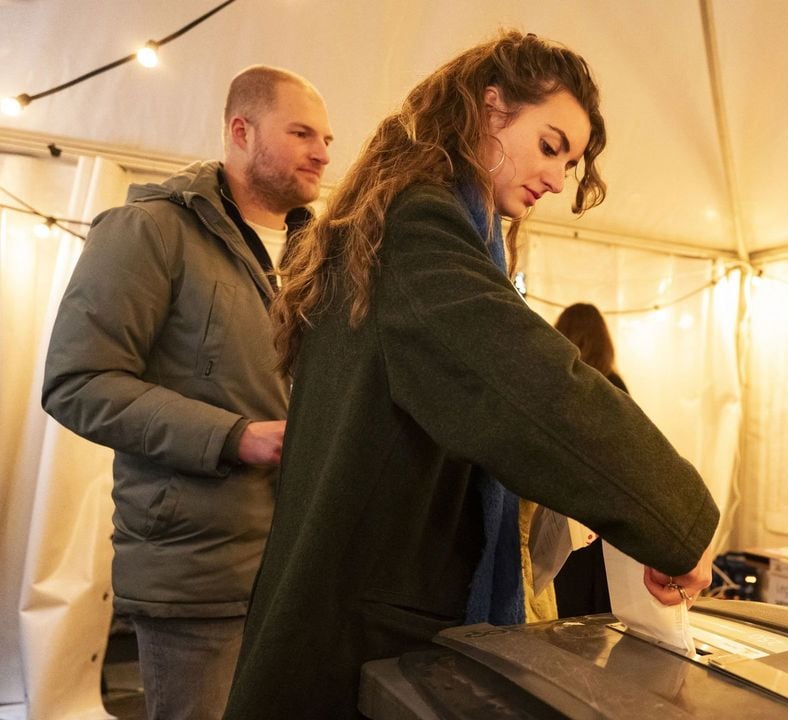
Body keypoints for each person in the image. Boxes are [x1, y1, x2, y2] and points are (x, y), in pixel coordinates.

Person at [223, 32, 719, 718]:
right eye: (550, 145)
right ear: (490, 109)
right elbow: (536, 389)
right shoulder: (421, 230)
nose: (557, 178)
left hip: (342, 602)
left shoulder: (390, 223)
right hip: (360, 634)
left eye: (571, 163)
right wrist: (677, 520)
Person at [41, 66, 332, 720]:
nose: (323, 152)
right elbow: (77, 383)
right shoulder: (150, 230)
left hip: (290, 573)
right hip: (194, 577)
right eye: (302, 133)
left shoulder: (316, 255)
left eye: (327, 138)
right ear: (240, 130)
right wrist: (234, 437)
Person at [551, 302, 627, 617]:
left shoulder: (553, 385)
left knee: (560, 601)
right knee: (597, 614)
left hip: (559, 510)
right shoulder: (613, 386)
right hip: (599, 520)